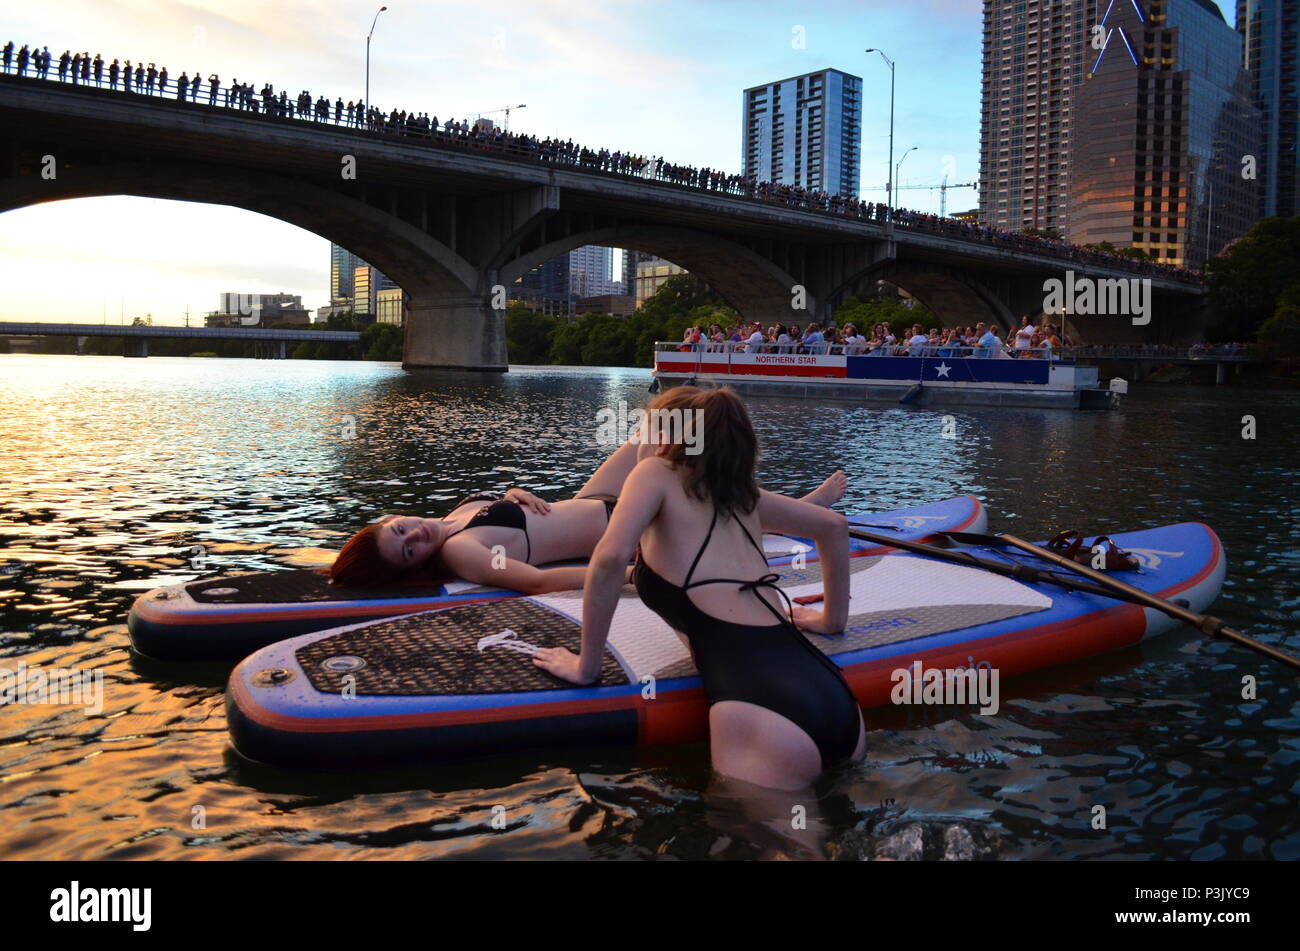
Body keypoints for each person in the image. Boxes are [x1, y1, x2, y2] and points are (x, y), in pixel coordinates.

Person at [534, 386, 865, 792]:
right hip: (833, 696)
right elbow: (832, 527)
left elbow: (606, 561)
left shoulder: (655, 474)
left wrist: (586, 667)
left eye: (645, 429)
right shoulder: (741, 496)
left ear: (668, 437)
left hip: (761, 711)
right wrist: (831, 620)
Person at [329, 428, 848, 596]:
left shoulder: (451, 520)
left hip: (590, 499)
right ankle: (801, 512)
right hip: (622, 521)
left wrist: (512, 493)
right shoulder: (463, 552)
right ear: (417, 565)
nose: (415, 534)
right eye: (409, 550)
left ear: (392, 517)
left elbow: (506, 517)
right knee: (691, 486)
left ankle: (785, 506)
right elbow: (534, 579)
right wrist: (627, 574)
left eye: (400, 529)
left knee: (663, 433)